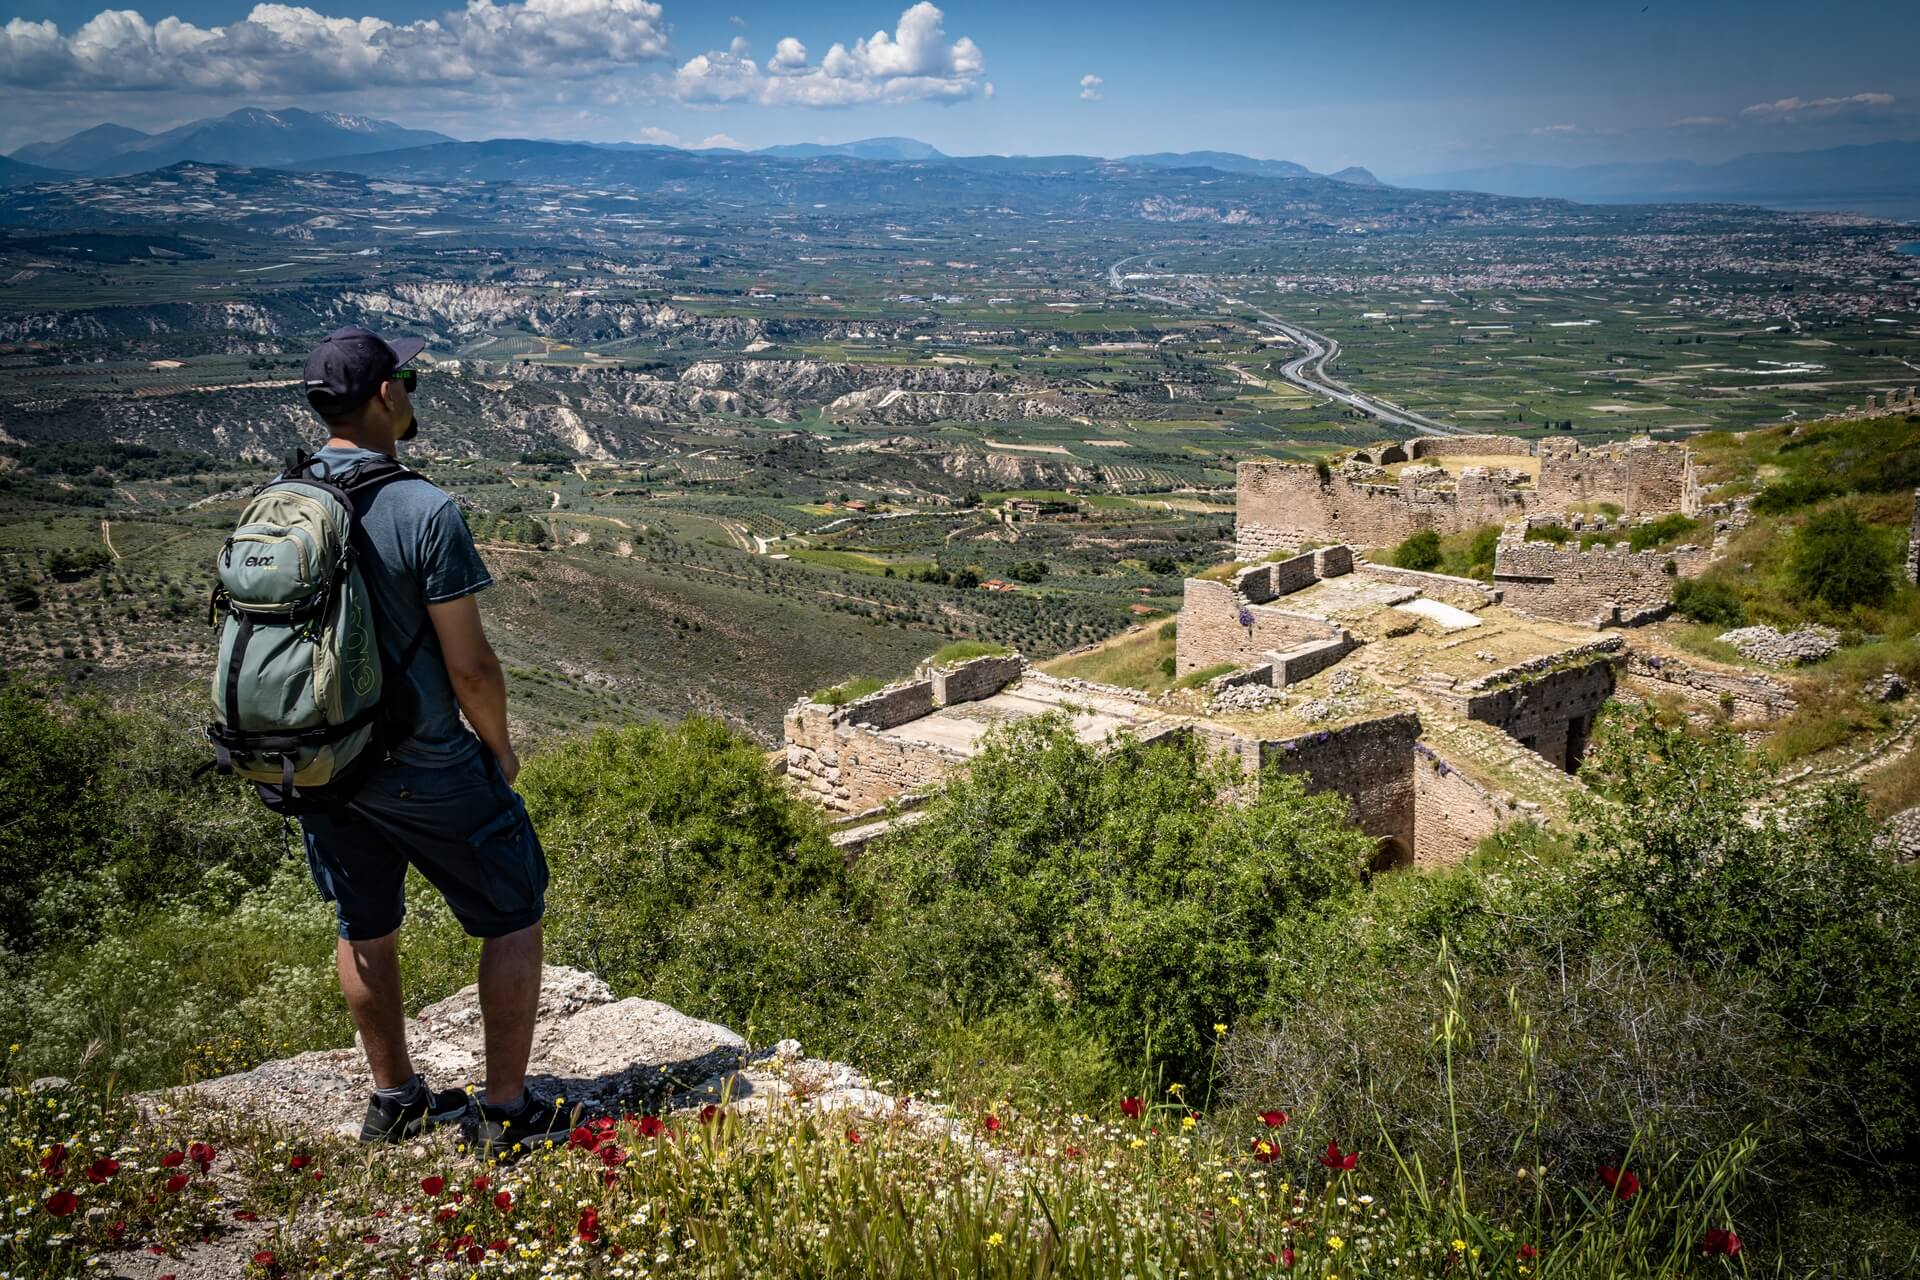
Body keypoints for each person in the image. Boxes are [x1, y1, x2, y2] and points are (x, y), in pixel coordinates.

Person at [297, 325, 569, 1154]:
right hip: (421, 762)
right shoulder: (422, 508)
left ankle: (395, 1097)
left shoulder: (286, 497)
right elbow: (473, 668)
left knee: (363, 924)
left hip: (322, 761)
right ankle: (505, 1107)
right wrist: (502, 749)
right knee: (513, 912)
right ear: (385, 395)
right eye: (406, 378)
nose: (411, 391)